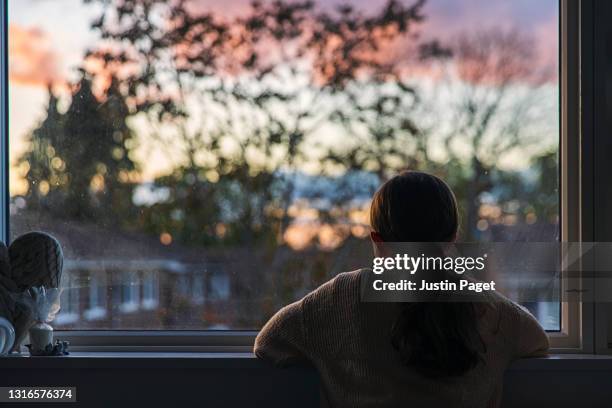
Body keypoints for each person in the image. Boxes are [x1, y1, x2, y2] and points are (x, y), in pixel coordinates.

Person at [255, 171, 549, 407]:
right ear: (452, 238)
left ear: (378, 241)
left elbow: (268, 342)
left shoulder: (343, 297)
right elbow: (538, 342)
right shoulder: (487, 309)